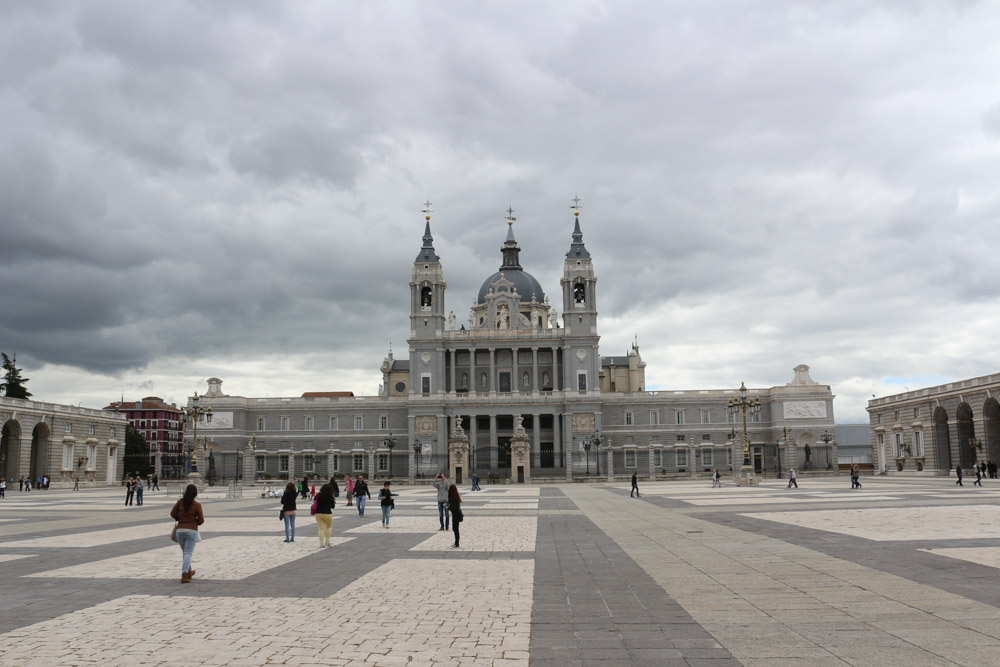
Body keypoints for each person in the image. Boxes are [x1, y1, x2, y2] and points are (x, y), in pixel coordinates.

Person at [170, 484, 204, 583]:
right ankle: (184, 574)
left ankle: (189, 571)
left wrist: (179, 519)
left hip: (180, 530)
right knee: (188, 553)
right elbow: (201, 520)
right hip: (191, 530)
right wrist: (194, 522)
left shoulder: (180, 503)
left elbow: (172, 513)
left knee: (185, 553)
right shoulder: (197, 505)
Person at [314, 483, 335, 547]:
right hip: (327, 513)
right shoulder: (330, 496)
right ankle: (327, 541)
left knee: (321, 528)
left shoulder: (318, 495)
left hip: (319, 513)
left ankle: (321, 543)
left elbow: (315, 502)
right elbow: (332, 506)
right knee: (329, 527)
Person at [448, 484, 463, 549]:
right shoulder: (456, 496)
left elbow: (453, 509)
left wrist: (448, 507)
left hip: (455, 516)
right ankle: (456, 542)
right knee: (455, 529)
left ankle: (457, 543)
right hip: (456, 515)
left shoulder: (453, 498)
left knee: (455, 529)